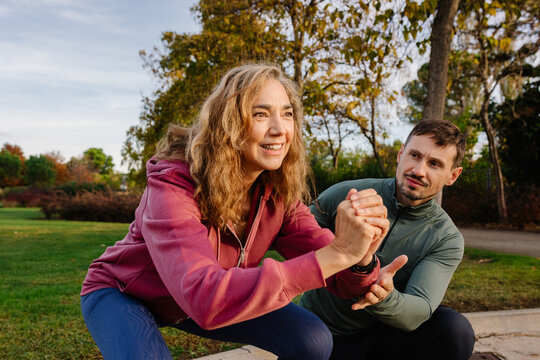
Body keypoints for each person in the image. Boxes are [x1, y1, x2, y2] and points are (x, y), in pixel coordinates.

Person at [80, 63, 393, 360]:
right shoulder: (173, 185)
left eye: (287, 114)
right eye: (260, 114)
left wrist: (363, 260)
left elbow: (337, 271)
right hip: (125, 293)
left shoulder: (276, 193)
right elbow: (204, 297)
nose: (280, 129)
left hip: (199, 299)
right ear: (228, 122)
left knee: (312, 340)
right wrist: (339, 254)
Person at [300, 120, 476, 360]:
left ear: (452, 176)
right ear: (401, 154)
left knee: (454, 330)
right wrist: (338, 248)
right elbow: (295, 237)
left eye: (435, 164)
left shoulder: (445, 238)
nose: (419, 170)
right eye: (415, 155)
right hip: (317, 330)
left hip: (383, 338)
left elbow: (419, 310)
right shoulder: (346, 194)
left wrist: (384, 297)